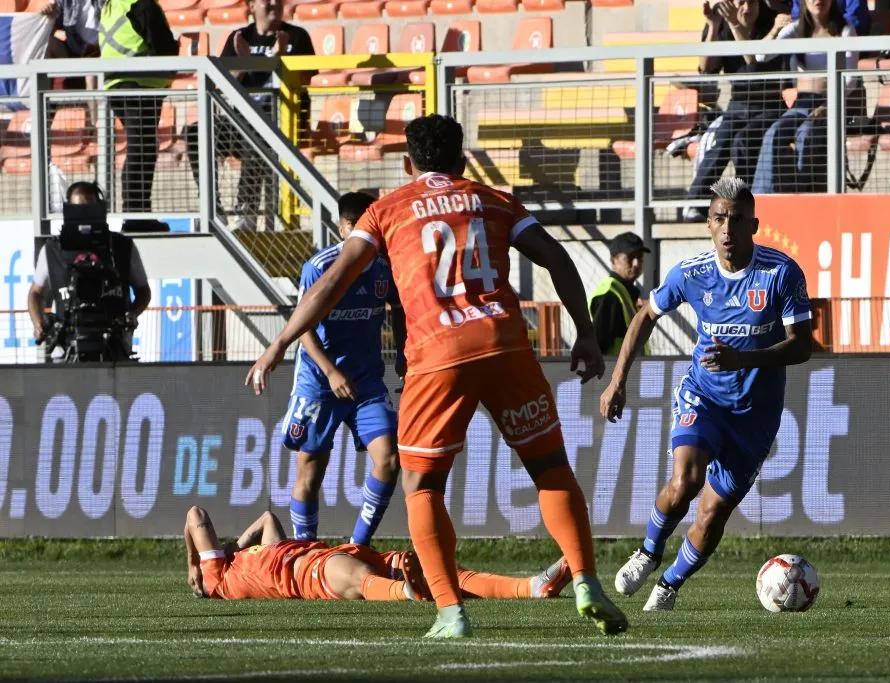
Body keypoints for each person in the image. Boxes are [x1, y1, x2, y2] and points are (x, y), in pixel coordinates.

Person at [244, 114, 628, 639]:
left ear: (408, 163)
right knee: (550, 467)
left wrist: (280, 343)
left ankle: (451, 612)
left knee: (421, 483)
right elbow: (556, 257)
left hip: (438, 353)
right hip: (504, 344)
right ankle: (586, 581)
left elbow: (333, 281)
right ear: (462, 157)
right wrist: (585, 332)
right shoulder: (492, 199)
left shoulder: (387, 210)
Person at [599, 178, 812, 611]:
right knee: (686, 480)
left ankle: (670, 584)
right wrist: (617, 381)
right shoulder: (691, 273)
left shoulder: (781, 273)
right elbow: (645, 316)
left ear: (754, 224)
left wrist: (744, 359)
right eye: (719, 219)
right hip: (705, 397)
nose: (727, 228)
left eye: (736, 219)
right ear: (708, 225)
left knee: (713, 513)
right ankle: (647, 553)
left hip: (755, 415)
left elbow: (803, 345)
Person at [284, 191, 405, 547]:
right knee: (311, 469)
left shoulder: (385, 265)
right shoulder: (321, 267)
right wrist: (331, 372)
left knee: (389, 459)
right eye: (366, 224)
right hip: (320, 383)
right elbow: (301, 325)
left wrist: (403, 353)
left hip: (366, 382)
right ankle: (304, 552)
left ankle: (357, 547)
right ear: (345, 228)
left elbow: (397, 307)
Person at [184, 507, 571, 602]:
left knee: (442, 571)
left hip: (331, 556)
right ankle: (407, 592)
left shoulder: (241, 563)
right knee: (366, 582)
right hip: (313, 571)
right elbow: (196, 515)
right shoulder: (218, 579)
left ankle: (532, 587)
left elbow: (269, 519)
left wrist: (236, 546)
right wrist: (193, 563)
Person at [184, 0, 315, 230]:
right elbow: (223, 84)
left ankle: (247, 210)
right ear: (252, 6)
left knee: (257, 129)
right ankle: (213, 208)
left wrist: (280, 59)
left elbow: (305, 81)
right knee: (197, 131)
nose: (273, 3)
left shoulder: (296, 36)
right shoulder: (240, 37)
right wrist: (244, 63)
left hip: (284, 121)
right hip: (241, 119)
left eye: (278, 0)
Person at [682, 0, 788, 222]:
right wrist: (713, 25)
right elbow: (706, 68)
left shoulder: (772, 21)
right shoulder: (721, 21)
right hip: (738, 104)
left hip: (769, 105)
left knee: (743, 141)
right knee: (719, 139)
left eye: (751, 3)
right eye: (740, 3)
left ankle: (744, 206)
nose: (746, 9)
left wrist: (734, 25)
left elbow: (754, 65)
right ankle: (696, 202)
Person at [27, 181, 151, 361]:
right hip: (67, 348)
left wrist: (131, 315)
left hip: (114, 346)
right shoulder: (52, 250)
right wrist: (38, 322)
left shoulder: (122, 247)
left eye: (90, 208)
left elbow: (143, 290)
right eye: (78, 209)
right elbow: (35, 293)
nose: (84, 215)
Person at [751, 0, 859, 194]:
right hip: (800, 104)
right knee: (773, 134)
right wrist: (775, 29)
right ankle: (762, 201)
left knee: (807, 134)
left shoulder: (844, 29)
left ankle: (803, 198)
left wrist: (830, 106)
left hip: (829, 104)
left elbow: (850, 79)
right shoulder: (796, 29)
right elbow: (761, 56)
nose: (818, 1)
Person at [98, 0, 177, 219]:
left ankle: (138, 213)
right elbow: (163, 46)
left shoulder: (112, 6)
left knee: (141, 147)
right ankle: (136, 216)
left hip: (119, 84)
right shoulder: (140, 4)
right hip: (139, 84)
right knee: (142, 148)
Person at [589, 232, 651, 356]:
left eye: (639, 257)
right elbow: (597, 346)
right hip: (614, 373)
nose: (636, 263)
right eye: (630, 257)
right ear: (614, 260)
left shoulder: (625, 292)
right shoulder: (609, 295)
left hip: (630, 372)